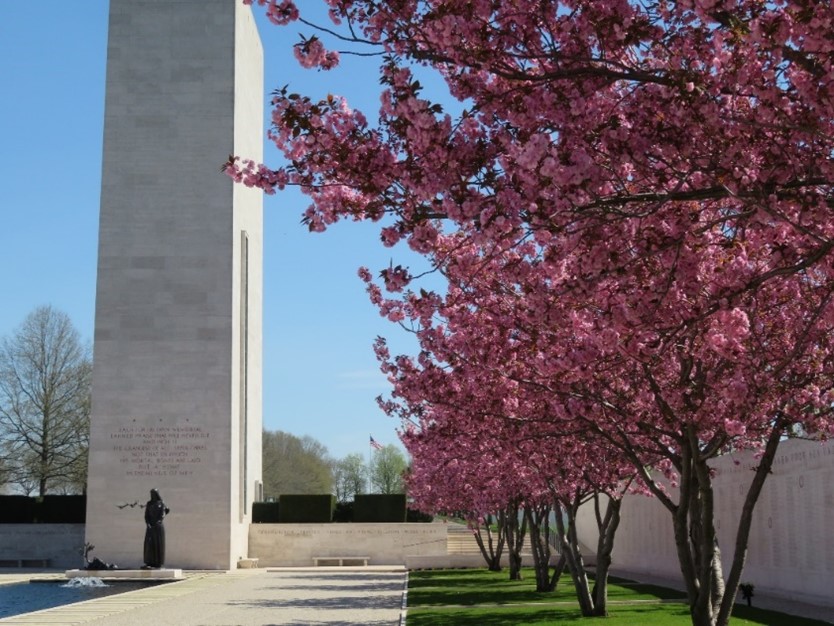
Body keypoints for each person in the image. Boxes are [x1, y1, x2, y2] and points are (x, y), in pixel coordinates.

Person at [142, 488, 170, 569]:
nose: (152, 495)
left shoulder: (161, 503)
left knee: (158, 544)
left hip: (158, 527)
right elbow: (146, 515)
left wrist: (158, 521)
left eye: (153, 493)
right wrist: (148, 523)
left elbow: (163, 513)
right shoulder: (149, 503)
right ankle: (149, 562)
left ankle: (158, 563)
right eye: (151, 493)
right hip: (150, 527)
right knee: (149, 544)